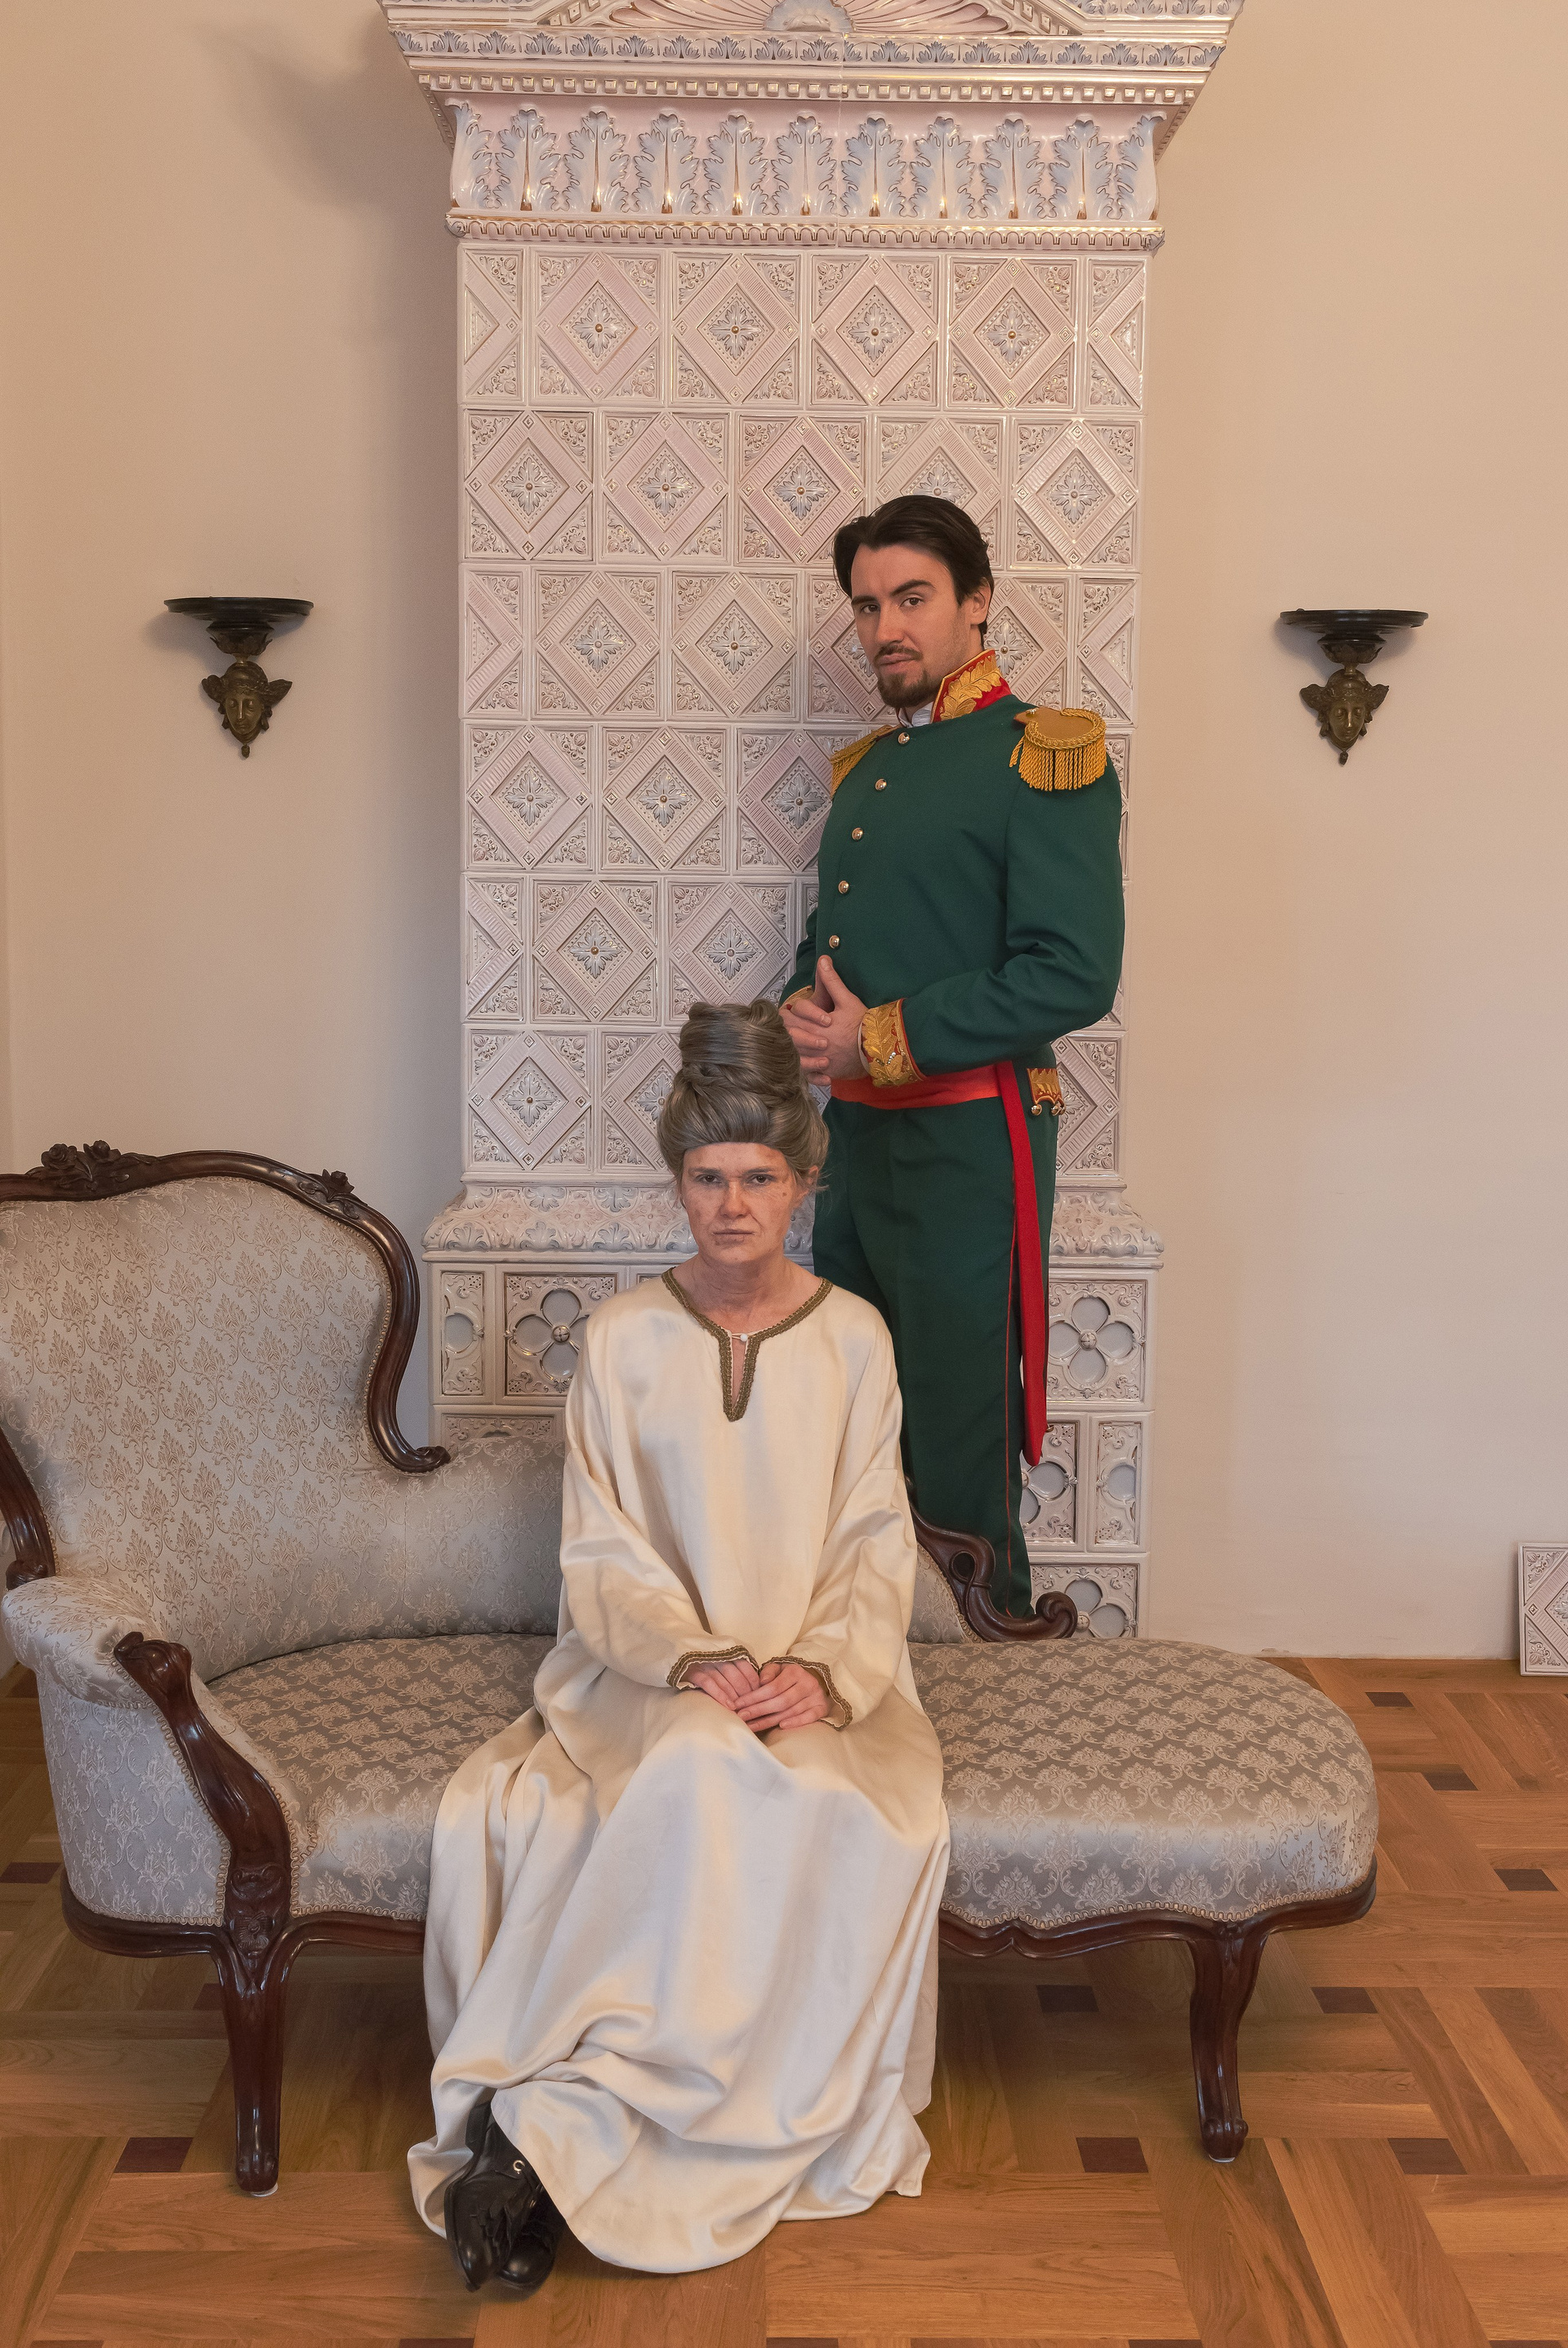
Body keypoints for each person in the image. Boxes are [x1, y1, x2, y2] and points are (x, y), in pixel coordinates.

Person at [408, 999, 948, 2292]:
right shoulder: (622, 1341)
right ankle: (554, 2129)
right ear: (678, 1184)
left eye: (759, 1177)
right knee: (699, 1764)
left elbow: (875, 1535)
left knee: (837, 1809)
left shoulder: (855, 1339)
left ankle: (549, 2138)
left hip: (822, 1680)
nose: (732, 1205)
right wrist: (692, 1660)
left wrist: (819, 1674)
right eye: (708, 1178)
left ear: (802, 1184)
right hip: (643, 1676)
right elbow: (602, 1551)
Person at [781, 495, 1125, 1619]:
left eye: (912, 598)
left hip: (971, 1142)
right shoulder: (869, 771)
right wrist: (801, 1016)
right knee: (852, 1416)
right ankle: (869, 1656)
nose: (885, 627)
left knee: (956, 1424)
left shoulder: (1046, 755)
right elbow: (834, 952)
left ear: (977, 602)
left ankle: (993, 1653)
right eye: (867, 605)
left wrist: (879, 1038)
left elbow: (1070, 974)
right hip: (859, 1144)